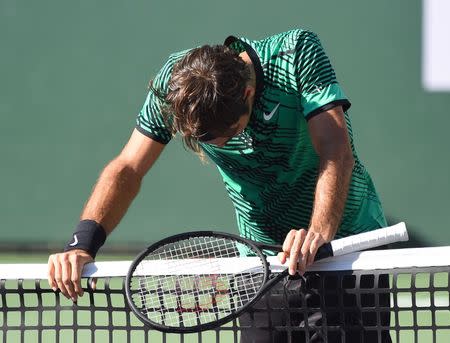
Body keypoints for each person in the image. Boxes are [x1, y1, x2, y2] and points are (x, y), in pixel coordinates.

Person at [47, 29, 389, 342]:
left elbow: (335, 152)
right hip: (262, 266)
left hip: (345, 254)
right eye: (206, 138)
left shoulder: (296, 53)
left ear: (248, 93)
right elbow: (128, 168)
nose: (219, 145)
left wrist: (318, 233)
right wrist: (81, 244)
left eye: (225, 133)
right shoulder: (176, 83)